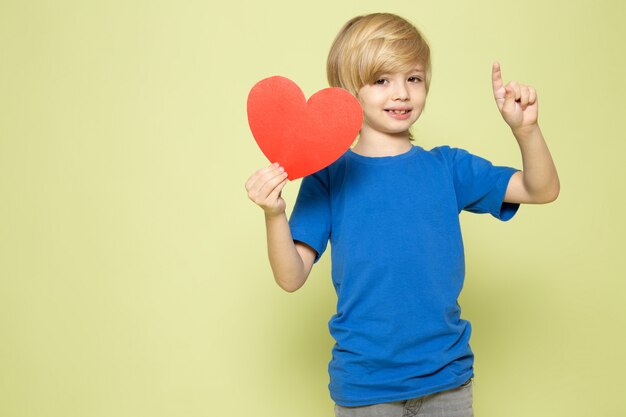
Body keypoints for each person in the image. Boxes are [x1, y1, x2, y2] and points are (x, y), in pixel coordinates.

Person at [245, 12, 559, 417]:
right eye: (381, 80)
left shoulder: (448, 168)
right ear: (348, 90)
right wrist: (274, 214)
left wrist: (526, 130)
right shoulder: (329, 174)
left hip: (448, 381)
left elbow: (542, 189)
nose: (402, 93)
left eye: (413, 78)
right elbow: (291, 277)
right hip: (366, 388)